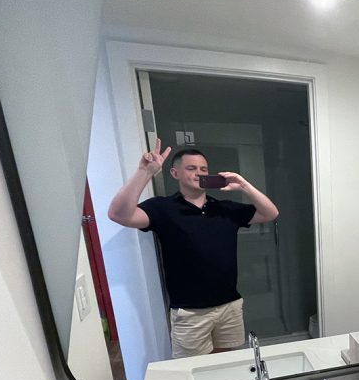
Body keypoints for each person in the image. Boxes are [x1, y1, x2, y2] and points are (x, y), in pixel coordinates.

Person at [107, 140, 279, 358]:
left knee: (226, 366)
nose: (199, 173)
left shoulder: (224, 209)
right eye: (191, 168)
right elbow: (118, 214)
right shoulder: (162, 208)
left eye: (203, 169)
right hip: (190, 313)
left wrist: (243, 185)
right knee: (194, 373)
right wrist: (145, 171)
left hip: (229, 306)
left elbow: (270, 213)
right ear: (175, 172)